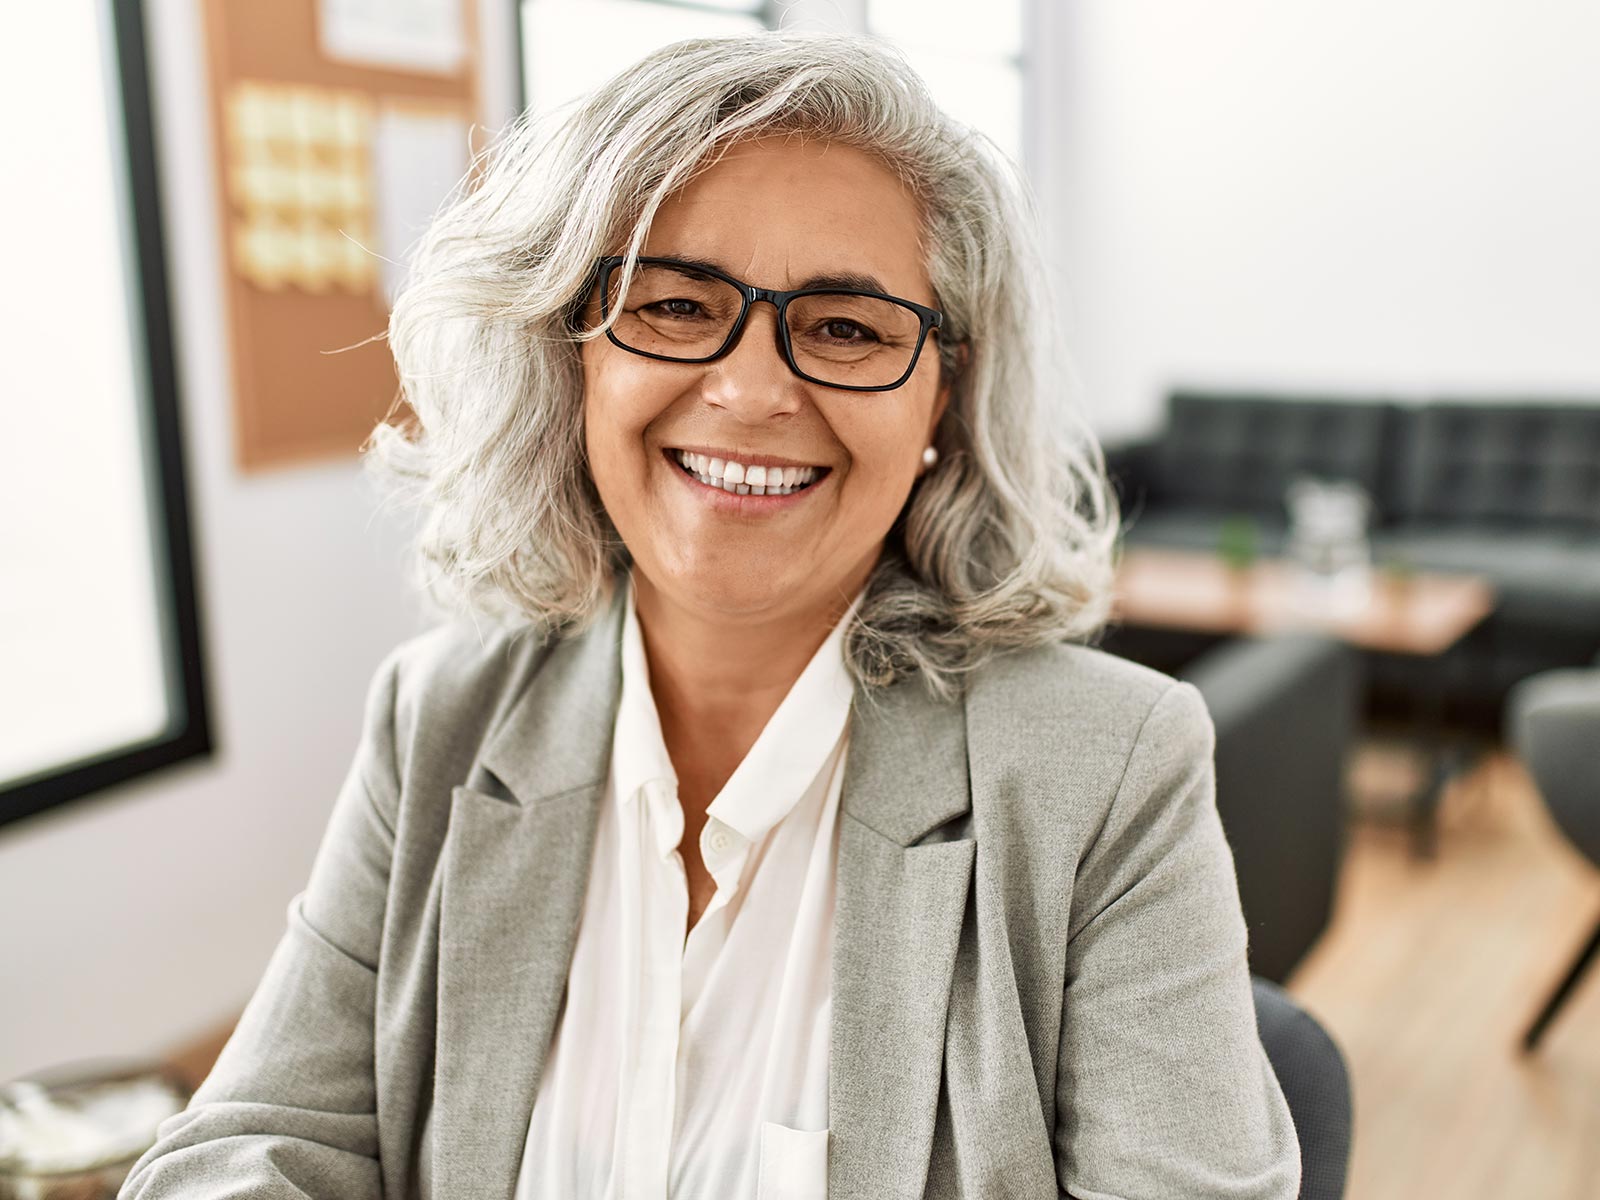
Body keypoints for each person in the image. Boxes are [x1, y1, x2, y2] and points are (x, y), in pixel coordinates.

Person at [122, 32, 1299, 1200]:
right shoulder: (442, 717)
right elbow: (243, 1149)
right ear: (568, 351)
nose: (749, 389)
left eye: (846, 328)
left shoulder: (1104, 771)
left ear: (944, 391)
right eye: (677, 304)